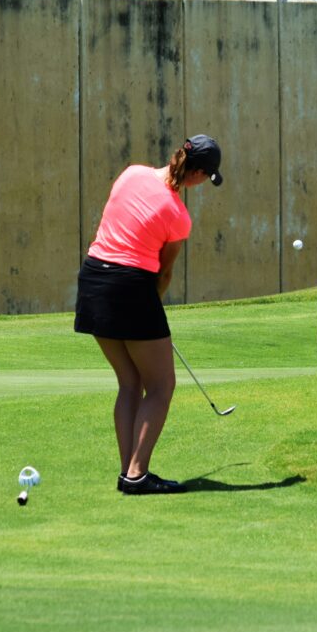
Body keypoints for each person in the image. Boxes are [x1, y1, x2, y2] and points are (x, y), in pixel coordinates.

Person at [75, 135, 223, 495]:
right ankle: (138, 474)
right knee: (161, 385)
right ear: (199, 174)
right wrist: (149, 311)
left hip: (93, 279)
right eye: (208, 177)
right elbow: (163, 273)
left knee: (129, 382)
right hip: (131, 286)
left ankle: (129, 473)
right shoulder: (178, 216)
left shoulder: (131, 173)